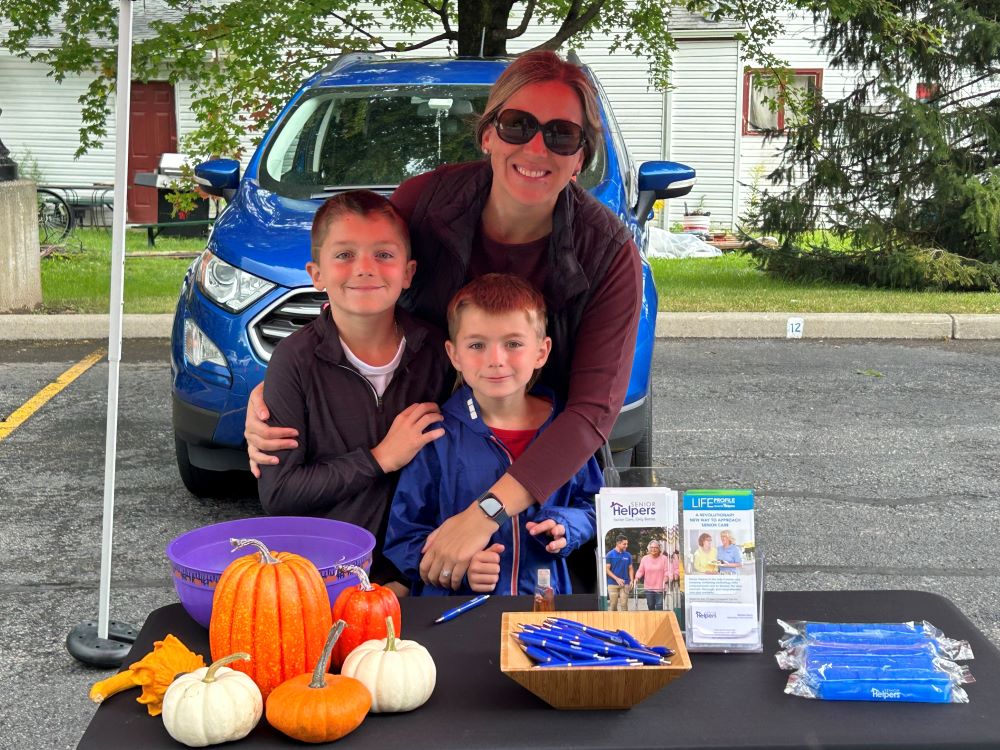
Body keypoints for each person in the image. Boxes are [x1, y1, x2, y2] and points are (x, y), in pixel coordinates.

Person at [244, 50, 643, 593]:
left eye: (561, 135)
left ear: (580, 159)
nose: (535, 147)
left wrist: (484, 514)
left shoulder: (608, 251)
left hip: (537, 454)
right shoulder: (425, 204)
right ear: (487, 134)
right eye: (518, 125)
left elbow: (593, 410)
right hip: (435, 446)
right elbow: (365, 280)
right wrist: (297, 374)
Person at [255, 190, 452, 594]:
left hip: (423, 574)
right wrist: (380, 459)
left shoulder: (439, 351)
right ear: (317, 273)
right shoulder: (294, 361)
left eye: (384, 254)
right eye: (344, 255)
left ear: (409, 272)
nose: (364, 268)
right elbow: (280, 493)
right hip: (328, 579)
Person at [382, 274, 599, 596]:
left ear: (541, 351)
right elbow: (404, 537)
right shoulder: (437, 435)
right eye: (477, 345)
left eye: (513, 344)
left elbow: (595, 505)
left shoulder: (564, 429)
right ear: (454, 354)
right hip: (455, 619)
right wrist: (460, 568)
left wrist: (567, 525)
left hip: (545, 610)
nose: (496, 360)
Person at [633, 540, 673, 611]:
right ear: (649, 548)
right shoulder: (645, 559)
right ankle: (653, 620)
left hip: (660, 587)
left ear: (659, 549)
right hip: (649, 587)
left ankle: (658, 621)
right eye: (652, 547)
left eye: (656, 547)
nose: (653, 549)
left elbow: (667, 571)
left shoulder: (664, 558)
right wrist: (637, 578)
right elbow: (640, 570)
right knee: (650, 605)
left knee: (659, 606)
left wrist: (667, 577)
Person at [605, 536, 633, 610]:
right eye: (624, 544)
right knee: (613, 605)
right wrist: (617, 579)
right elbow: (607, 569)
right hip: (612, 584)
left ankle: (625, 621)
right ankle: (613, 621)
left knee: (624, 605)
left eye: (627, 544)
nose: (626, 546)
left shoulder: (628, 555)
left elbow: (630, 568)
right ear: (618, 543)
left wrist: (631, 580)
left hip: (625, 583)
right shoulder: (610, 555)